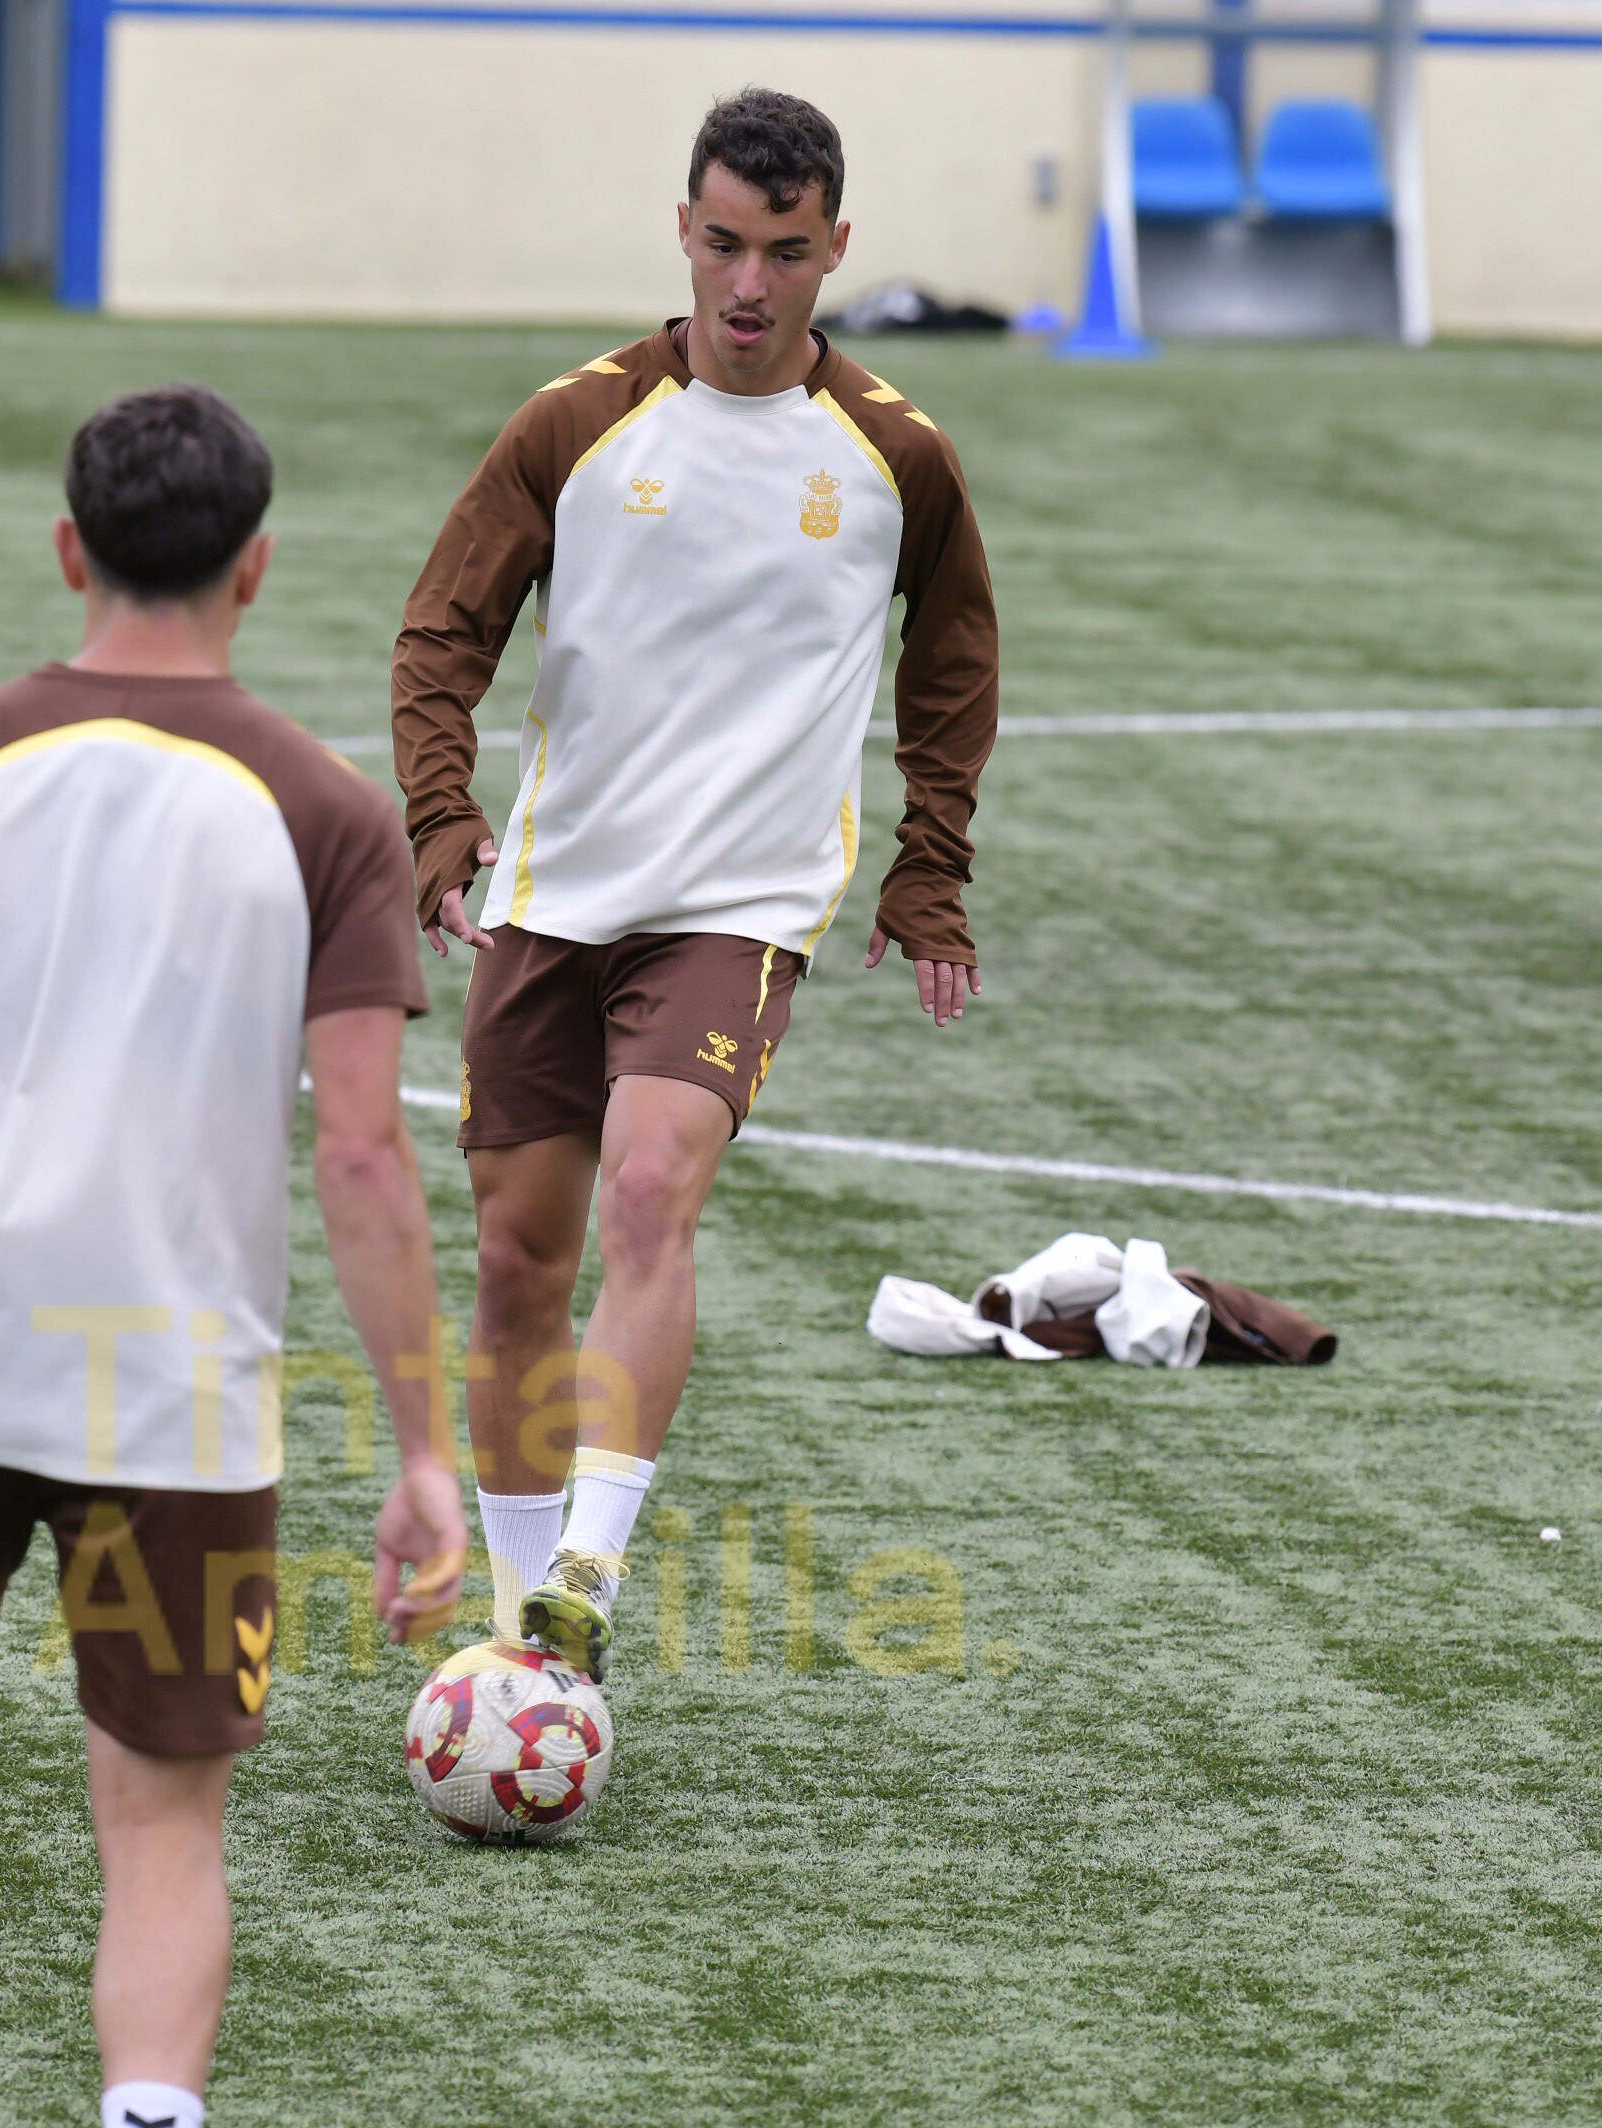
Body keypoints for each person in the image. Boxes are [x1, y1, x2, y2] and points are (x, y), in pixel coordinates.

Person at [0, 384, 469, 2128]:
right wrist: (426, 1448)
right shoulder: (326, 815)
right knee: (161, 1822)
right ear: (258, 569)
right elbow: (361, 1150)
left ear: (70, 551)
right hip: (182, 1397)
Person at [391, 87, 1000, 1681]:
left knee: (654, 1192)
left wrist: (930, 867)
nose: (749, 285)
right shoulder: (577, 423)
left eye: (785, 254)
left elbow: (952, 658)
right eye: (724, 244)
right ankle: (521, 1611)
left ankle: (587, 1575)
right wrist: (441, 821)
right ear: (684, 229)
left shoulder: (894, 457)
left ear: (837, 252)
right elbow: (442, 632)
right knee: (521, 1260)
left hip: (741, 902)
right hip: (556, 894)